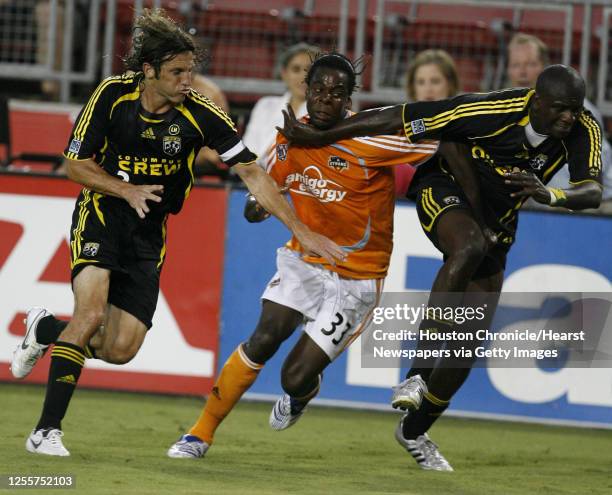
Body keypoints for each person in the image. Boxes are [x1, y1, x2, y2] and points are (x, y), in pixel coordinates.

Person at [9, 9, 344, 457]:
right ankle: (45, 431)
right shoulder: (112, 95)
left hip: (150, 232)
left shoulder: (202, 115)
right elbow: (74, 165)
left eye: (191, 70)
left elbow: (252, 172)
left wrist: (301, 228)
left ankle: (48, 328)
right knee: (90, 315)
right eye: (177, 72)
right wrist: (124, 190)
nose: (189, 80)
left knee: (121, 348)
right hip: (102, 214)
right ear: (148, 71)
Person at [278, 64, 603, 470]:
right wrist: (323, 135)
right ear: (536, 102)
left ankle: (413, 431)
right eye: (559, 109)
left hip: (498, 220)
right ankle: (416, 372)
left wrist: (549, 195)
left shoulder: (583, 127)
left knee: (464, 349)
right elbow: (398, 115)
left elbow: (591, 192)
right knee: (466, 247)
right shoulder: (490, 109)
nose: (568, 117)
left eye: (573, 109)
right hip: (445, 189)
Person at [166, 52, 438, 459]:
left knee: (294, 377)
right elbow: (257, 196)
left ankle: (301, 393)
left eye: (337, 93)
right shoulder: (288, 139)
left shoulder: (370, 138)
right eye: (319, 90)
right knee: (264, 336)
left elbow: (434, 140)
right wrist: (258, 206)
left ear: (349, 98)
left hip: (357, 277)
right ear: (305, 90)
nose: (326, 99)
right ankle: (199, 434)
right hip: (304, 261)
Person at [507, 32, 612, 213]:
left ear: (545, 68)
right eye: (516, 65)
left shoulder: (577, 109)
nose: (522, 72)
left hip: (590, 205)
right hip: (539, 206)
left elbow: (594, 176)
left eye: (530, 64)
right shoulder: (506, 111)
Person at [395, 49, 460, 196]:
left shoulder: (466, 128)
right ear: (413, 87)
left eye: (435, 81)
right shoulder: (399, 130)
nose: (428, 89)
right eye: (421, 82)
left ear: (450, 84)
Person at [242, 42, 319, 167]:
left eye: (310, 70)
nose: (303, 77)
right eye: (296, 69)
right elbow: (249, 148)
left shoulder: (325, 112)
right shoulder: (265, 105)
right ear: (284, 74)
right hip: (256, 176)